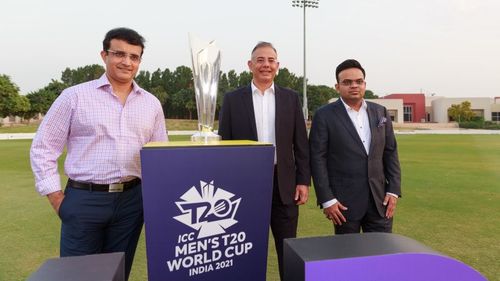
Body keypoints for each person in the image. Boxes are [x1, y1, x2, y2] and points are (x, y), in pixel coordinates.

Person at [30, 27, 167, 280]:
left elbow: (160, 156)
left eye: (134, 57)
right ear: (104, 55)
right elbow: (43, 147)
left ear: (139, 61)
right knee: (77, 275)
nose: (127, 62)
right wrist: (57, 198)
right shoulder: (74, 97)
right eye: (119, 54)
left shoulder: (151, 103)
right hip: (84, 199)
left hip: (132, 202)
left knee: (118, 274)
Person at [218, 41, 310, 280]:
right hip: (243, 187)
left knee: (287, 250)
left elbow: (301, 144)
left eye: (270, 61)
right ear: (250, 65)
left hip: (284, 186)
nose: (265, 65)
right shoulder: (232, 99)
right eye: (260, 60)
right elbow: (223, 146)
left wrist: (303, 181)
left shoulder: (290, 98)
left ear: (277, 66)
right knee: (244, 250)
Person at [309, 59, 401, 235]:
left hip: (380, 201)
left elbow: (390, 153)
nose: (354, 86)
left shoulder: (380, 112)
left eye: (359, 81)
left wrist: (394, 191)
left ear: (364, 84)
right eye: (347, 82)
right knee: (349, 259)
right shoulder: (324, 115)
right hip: (343, 205)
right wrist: (327, 199)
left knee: (381, 256)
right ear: (337, 87)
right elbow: (317, 159)